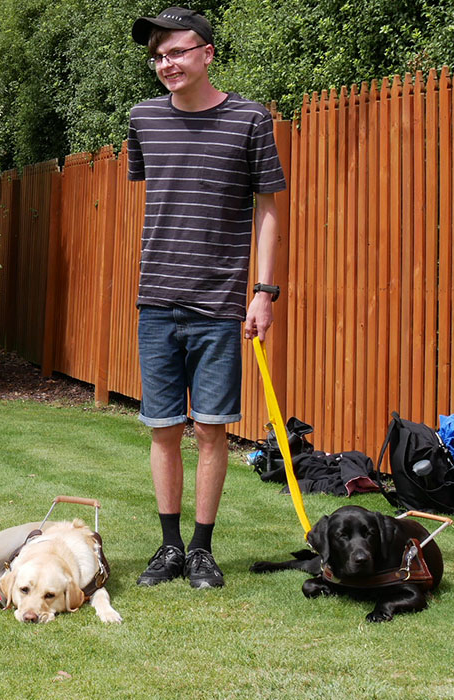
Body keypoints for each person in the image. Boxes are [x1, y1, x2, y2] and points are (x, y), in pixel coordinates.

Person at [126, 8, 286, 588]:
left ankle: (201, 549)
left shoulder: (249, 119)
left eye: (177, 52)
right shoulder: (142, 119)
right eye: (159, 56)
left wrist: (264, 292)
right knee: (163, 429)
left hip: (219, 304)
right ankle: (168, 549)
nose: (167, 64)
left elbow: (268, 210)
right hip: (156, 301)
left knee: (212, 429)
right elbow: (158, 202)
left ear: (208, 53)